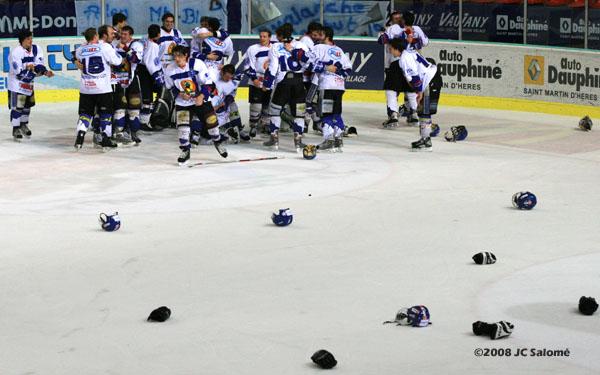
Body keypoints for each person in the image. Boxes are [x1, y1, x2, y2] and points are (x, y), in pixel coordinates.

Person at [164, 45, 228, 165]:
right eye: (175, 56)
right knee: (183, 128)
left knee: (212, 124)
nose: (177, 59)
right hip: (182, 102)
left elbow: (208, 83)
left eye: (180, 56)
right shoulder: (170, 69)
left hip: (201, 99)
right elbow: (169, 88)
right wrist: (179, 93)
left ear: (186, 56)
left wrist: (201, 96)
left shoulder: (197, 64)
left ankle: (218, 142)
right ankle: (185, 151)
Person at [262, 23, 310, 151]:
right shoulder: (301, 45)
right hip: (299, 83)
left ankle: (274, 141)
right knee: (299, 113)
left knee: (274, 111)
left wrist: (267, 84)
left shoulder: (275, 47)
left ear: (280, 36)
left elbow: (273, 68)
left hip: (282, 83)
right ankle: (298, 142)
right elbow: (307, 63)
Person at [73, 27, 123, 149]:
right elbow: (117, 61)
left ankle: (80, 136)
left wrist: (75, 61)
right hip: (102, 88)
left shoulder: (81, 49)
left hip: (86, 88)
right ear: (96, 36)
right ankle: (106, 138)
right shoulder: (105, 47)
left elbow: (74, 55)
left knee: (85, 114)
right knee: (106, 113)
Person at [389, 38, 441, 151]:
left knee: (424, 112)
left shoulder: (404, 58)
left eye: (391, 48)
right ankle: (425, 139)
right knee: (424, 112)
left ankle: (426, 142)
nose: (390, 51)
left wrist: (419, 92)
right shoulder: (408, 51)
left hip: (429, 80)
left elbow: (415, 79)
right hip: (432, 79)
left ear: (397, 49)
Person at [308, 26, 352, 152]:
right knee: (336, 113)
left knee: (326, 113)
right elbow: (348, 69)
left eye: (320, 34)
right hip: (339, 86)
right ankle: (338, 140)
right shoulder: (339, 50)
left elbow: (309, 64)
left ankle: (329, 140)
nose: (317, 37)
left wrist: (326, 68)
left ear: (325, 35)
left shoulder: (318, 48)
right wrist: (338, 72)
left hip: (326, 86)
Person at [8, 30, 54, 141]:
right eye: (28, 39)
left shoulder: (36, 49)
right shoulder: (15, 53)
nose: (31, 41)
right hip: (16, 84)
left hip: (28, 84)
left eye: (31, 38)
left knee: (27, 106)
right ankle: (16, 128)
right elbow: (19, 73)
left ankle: (23, 125)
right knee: (17, 107)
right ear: (22, 40)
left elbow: (39, 65)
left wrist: (45, 72)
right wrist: (33, 71)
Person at [113, 25, 144, 144]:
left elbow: (135, 59)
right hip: (117, 81)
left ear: (131, 36)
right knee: (119, 108)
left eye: (125, 34)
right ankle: (119, 132)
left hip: (132, 81)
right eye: (121, 33)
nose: (122, 36)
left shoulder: (137, 45)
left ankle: (134, 133)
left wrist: (125, 48)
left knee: (134, 109)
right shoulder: (114, 44)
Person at [238, 29, 271, 137]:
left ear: (269, 37)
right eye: (260, 36)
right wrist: (254, 79)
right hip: (256, 81)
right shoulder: (252, 49)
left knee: (267, 105)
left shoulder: (275, 48)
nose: (262, 38)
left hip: (270, 81)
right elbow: (247, 66)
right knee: (255, 106)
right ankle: (253, 126)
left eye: (264, 36)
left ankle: (265, 124)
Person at [137, 24, 165, 131]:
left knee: (147, 97)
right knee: (147, 98)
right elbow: (151, 63)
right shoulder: (153, 46)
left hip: (142, 70)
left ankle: (145, 120)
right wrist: (157, 76)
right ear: (158, 34)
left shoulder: (144, 40)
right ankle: (143, 122)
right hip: (146, 72)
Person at [299, 21, 324, 130]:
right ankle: (309, 122)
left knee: (309, 100)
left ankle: (307, 122)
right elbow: (306, 59)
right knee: (308, 101)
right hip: (304, 77)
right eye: (317, 33)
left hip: (307, 76)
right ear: (312, 32)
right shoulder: (306, 41)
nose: (318, 36)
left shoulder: (308, 40)